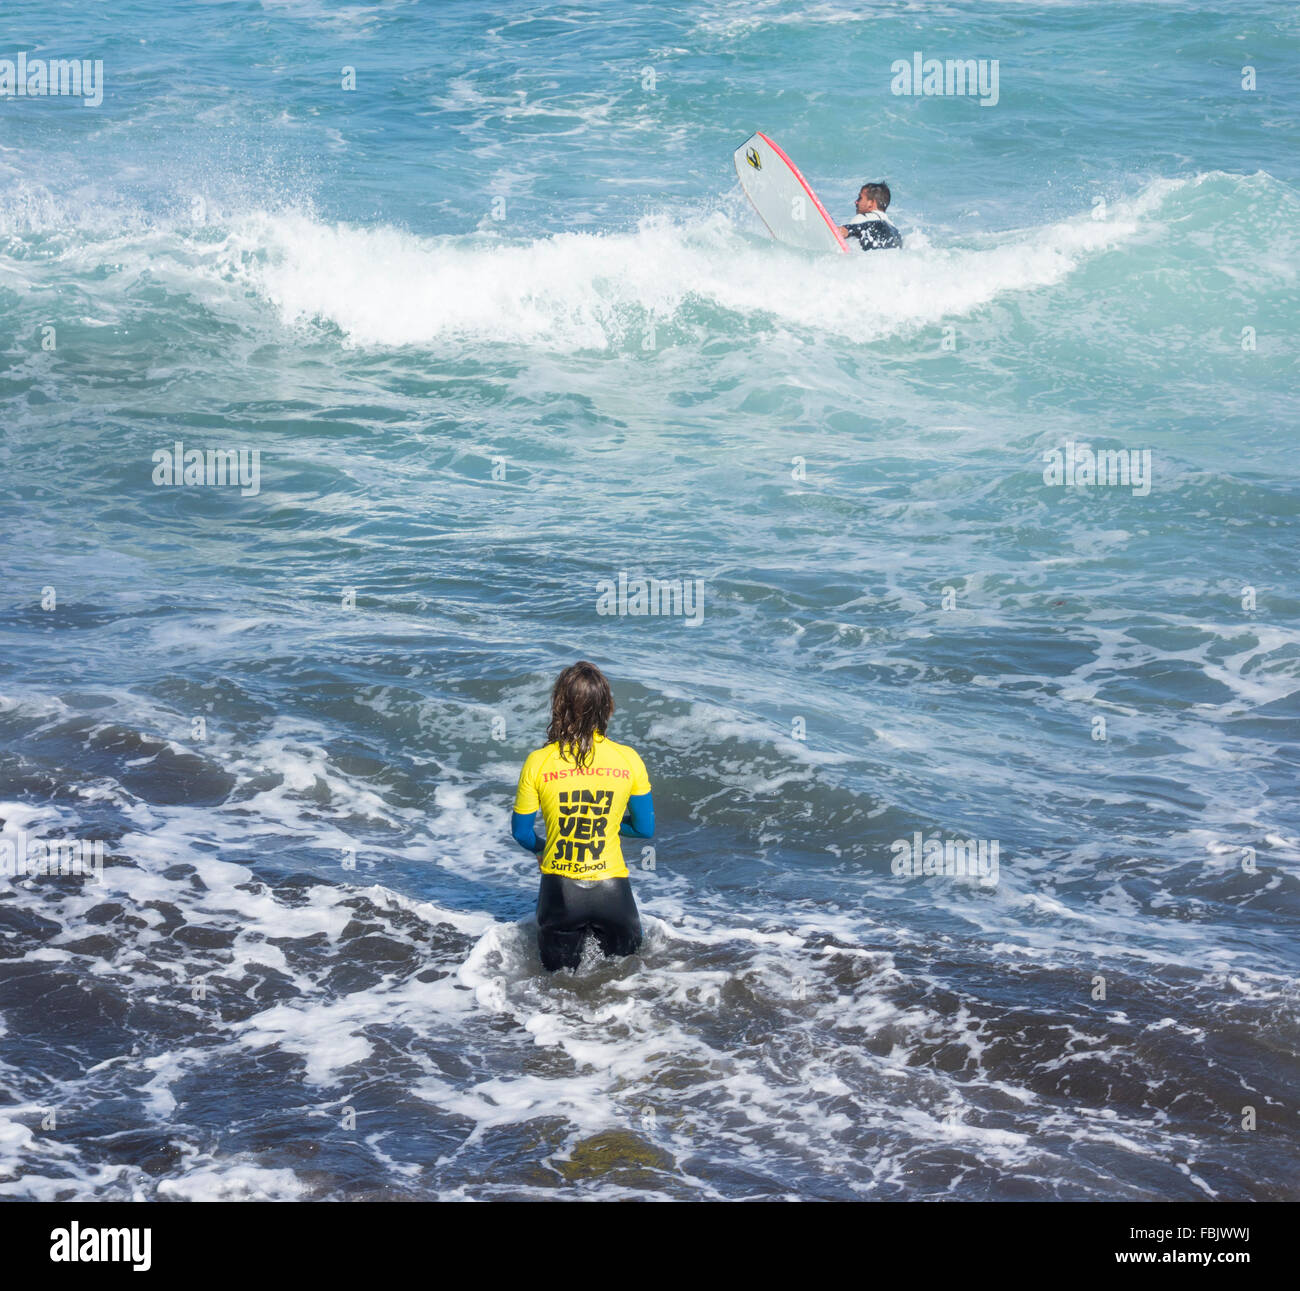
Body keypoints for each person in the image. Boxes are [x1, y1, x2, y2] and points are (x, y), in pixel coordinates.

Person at [511, 661, 654, 971]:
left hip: (560, 893)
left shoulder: (538, 762)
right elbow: (645, 828)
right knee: (633, 977)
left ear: (558, 706)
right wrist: (613, 827)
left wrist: (540, 848)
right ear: (607, 707)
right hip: (613, 892)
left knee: (554, 985)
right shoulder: (628, 759)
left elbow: (521, 832)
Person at [839, 181, 903, 250]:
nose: (856, 202)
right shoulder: (896, 232)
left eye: (860, 198)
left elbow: (842, 234)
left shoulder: (863, 218)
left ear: (871, 203)